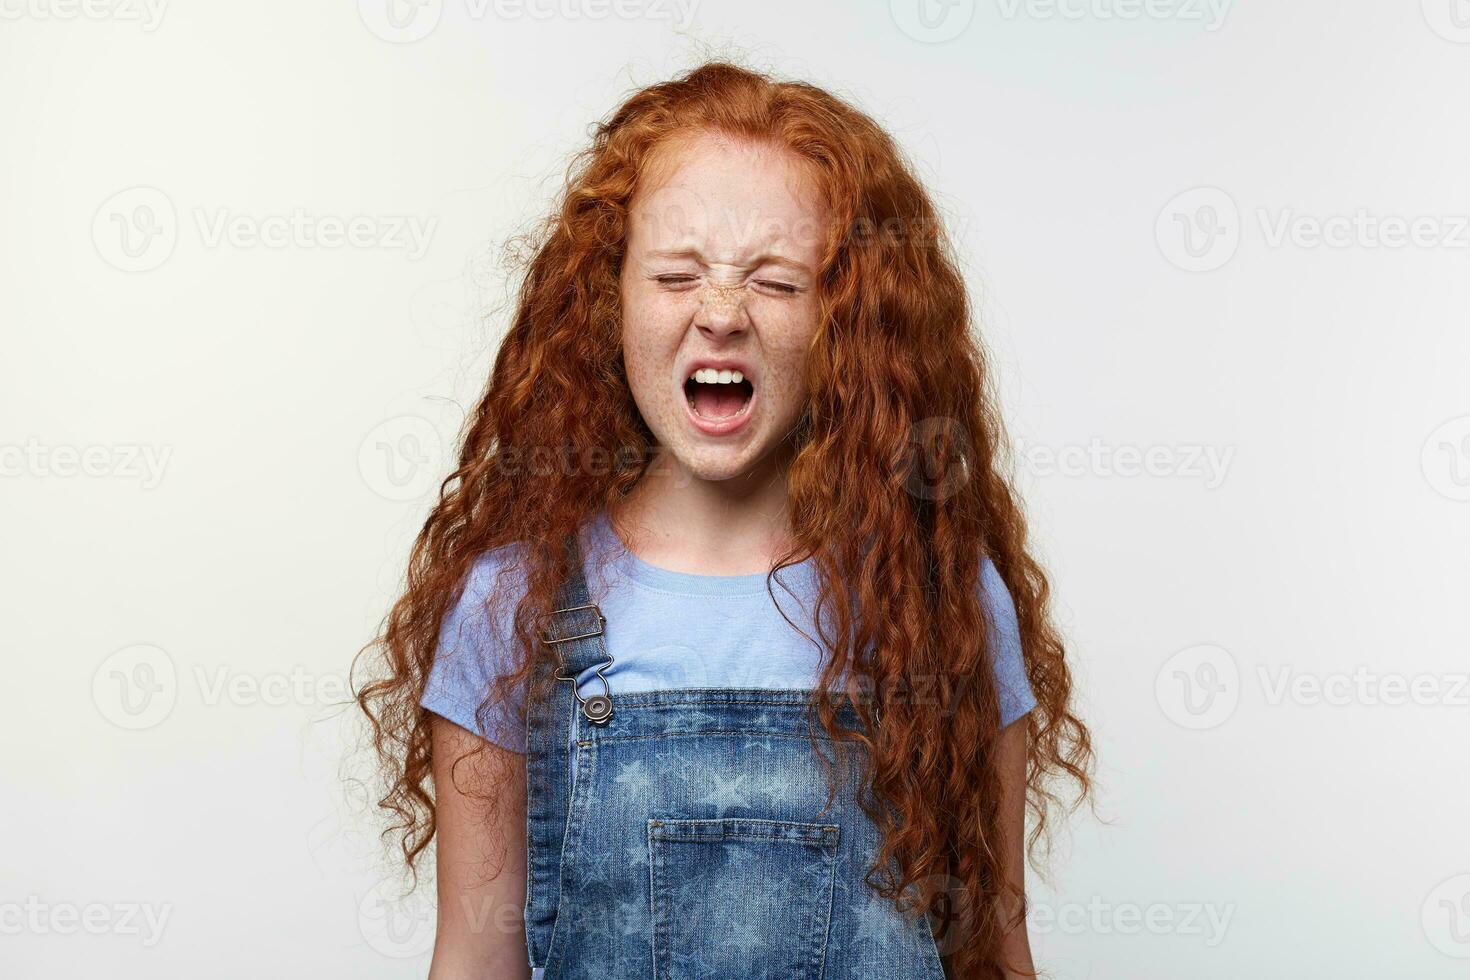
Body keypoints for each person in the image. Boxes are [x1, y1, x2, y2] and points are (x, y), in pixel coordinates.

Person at [355, 60, 1092, 980]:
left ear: (845, 323)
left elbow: (992, 958)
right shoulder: (515, 607)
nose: (720, 315)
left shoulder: (941, 599)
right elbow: (474, 963)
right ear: (606, 301)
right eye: (675, 275)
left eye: (777, 284)